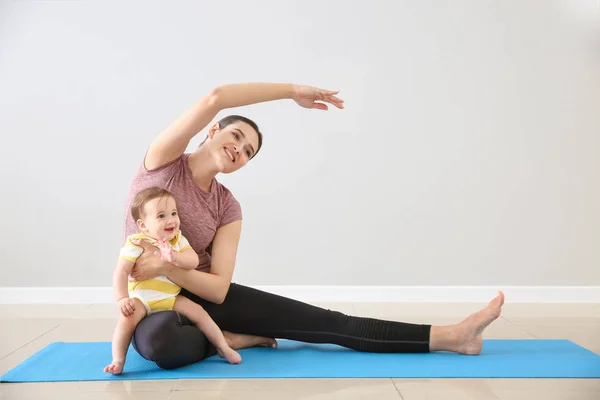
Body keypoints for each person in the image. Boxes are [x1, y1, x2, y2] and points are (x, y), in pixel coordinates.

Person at [123, 82, 505, 370]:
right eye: (235, 136)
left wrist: (167, 265)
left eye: (248, 151)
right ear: (213, 130)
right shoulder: (162, 165)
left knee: (326, 324)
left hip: (202, 295)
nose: (239, 148)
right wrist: (292, 91)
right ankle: (228, 339)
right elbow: (216, 97)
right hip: (151, 302)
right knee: (159, 344)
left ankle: (453, 336)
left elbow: (220, 289)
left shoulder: (227, 206)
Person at [105, 187, 242, 375]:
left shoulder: (178, 240)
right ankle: (118, 359)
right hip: (142, 299)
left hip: (170, 297)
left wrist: (174, 257)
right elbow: (121, 272)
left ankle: (223, 347)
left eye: (174, 213)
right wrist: (122, 298)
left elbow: (193, 261)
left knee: (199, 313)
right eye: (161, 216)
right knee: (126, 320)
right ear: (143, 225)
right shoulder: (136, 242)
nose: (171, 220)